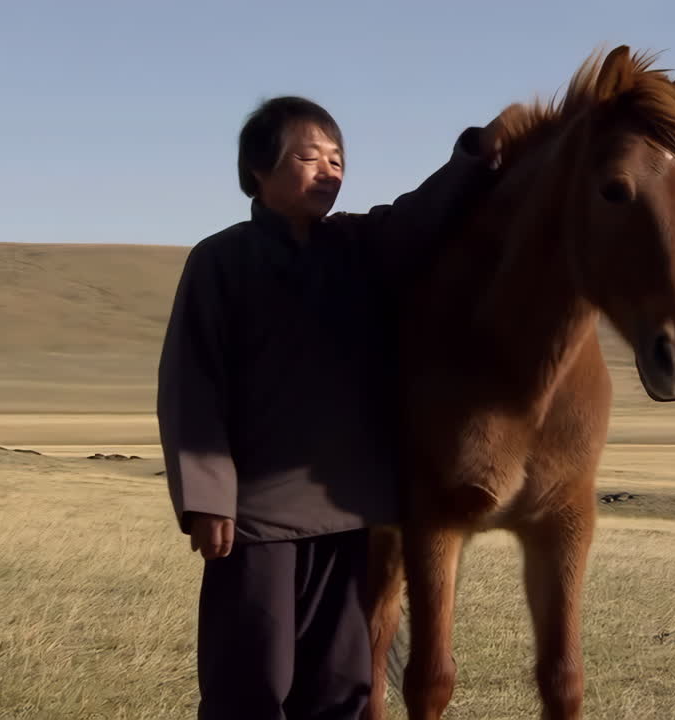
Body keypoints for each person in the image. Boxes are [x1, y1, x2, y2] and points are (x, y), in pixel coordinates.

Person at [156, 96, 500, 719]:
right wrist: (205, 498)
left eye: (338, 159)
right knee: (252, 684)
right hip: (254, 521)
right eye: (309, 157)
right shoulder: (220, 260)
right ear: (257, 171)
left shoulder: (358, 246)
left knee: (342, 685)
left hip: (348, 515)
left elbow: (422, 215)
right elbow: (191, 384)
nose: (329, 171)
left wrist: (474, 155)